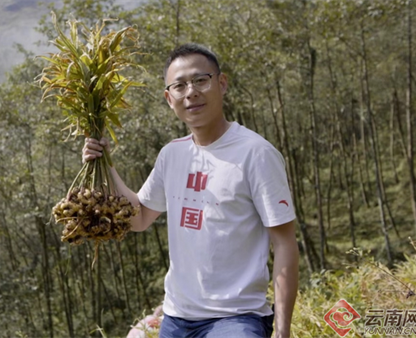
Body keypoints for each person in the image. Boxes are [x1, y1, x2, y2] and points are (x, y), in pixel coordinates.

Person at [83, 43, 299, 338]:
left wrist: (283, 330)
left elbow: (285, 243)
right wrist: (105, 164)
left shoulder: (256, 153)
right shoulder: (172, 155)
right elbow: (139, 218)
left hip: (235, 319)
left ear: (221, 84)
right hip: (176, 319)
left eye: (200, 80)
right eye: (179, 85)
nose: (191, 92)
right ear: (169, 98)